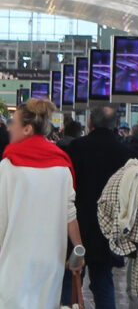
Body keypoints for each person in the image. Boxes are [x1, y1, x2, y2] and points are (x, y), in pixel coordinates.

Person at [0, 99, 83, 309]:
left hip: (14, 261)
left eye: (14, 124)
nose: (10, 128)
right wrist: (78, 252)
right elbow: (70, 215)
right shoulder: (62, 166)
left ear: (27, 129)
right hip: (50, 262)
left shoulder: (9, 166)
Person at [62, 104, 132, 309]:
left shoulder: (76, 148)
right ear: (115, 125)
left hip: (78, 225)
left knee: (71, 279)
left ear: (90, 122)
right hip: (107, 228)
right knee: (103, 281)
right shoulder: (125, 153)